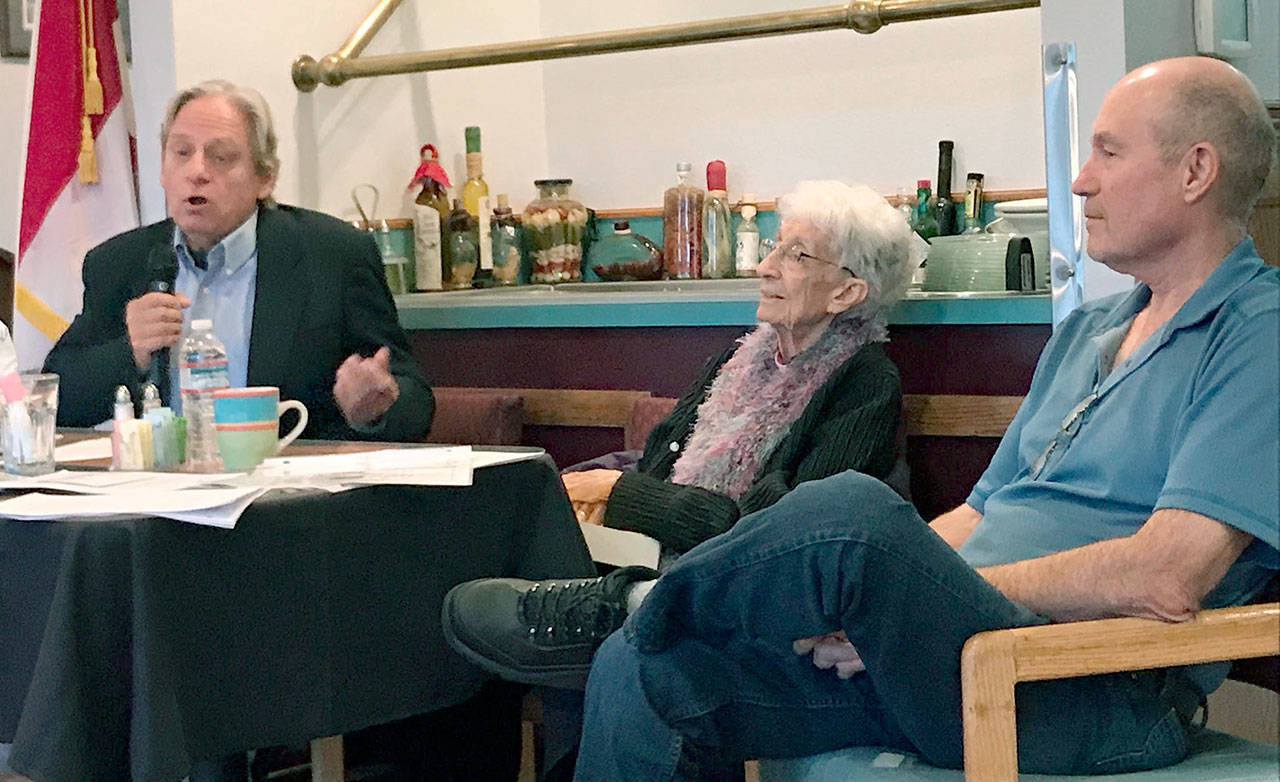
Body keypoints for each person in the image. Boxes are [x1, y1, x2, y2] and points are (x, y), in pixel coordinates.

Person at [461, 56, 1278, 781]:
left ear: (1196, 169)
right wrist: (906, 607)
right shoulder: (1087, 333)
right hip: (949, 655)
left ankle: (638, 596)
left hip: (1080, 687)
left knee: (849, 508)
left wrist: (919, 598)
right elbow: (977, 514)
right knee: (644, 674)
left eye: (1108, 151)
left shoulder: (1259, 334)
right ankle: (638, 617)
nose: (1079, 181)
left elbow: (1167, 575)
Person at [445, 179, 921, 686]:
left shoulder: (864, 383)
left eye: (797, 256)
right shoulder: (739, 361)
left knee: (577, 639)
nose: (766, 267)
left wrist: (623, 495)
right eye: (773, 247)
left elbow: (775, 538)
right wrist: (626, 497)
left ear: (847, 292)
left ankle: (609, 612)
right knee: (506, 552)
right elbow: (660, 469)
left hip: (751, 611)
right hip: (656, 561)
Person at [44, 79, 433, 442]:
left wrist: (373, 408)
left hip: (290, 503)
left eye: (220, 157)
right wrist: (130, 351)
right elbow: (59, 399)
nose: (196, 172)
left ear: (265, 178)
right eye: (181, 153)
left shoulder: (333, 257)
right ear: (162, 169)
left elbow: (414, 401)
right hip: (163, 500)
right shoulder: (120, 263)